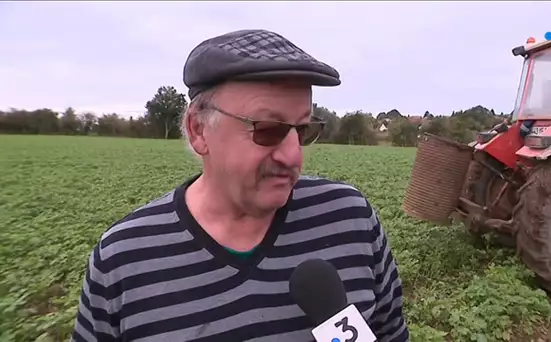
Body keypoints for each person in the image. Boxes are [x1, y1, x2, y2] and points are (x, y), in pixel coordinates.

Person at [71, 29, 409, 342]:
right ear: (198, 129)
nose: (293, 157)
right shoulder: (122, 259)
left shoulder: (351, 220)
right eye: (266, 129)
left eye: (302, 130)